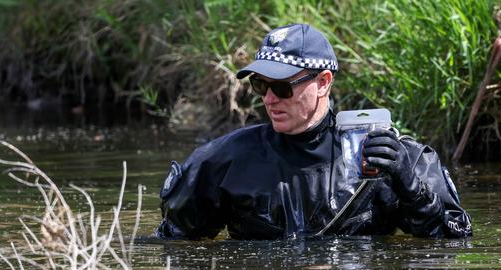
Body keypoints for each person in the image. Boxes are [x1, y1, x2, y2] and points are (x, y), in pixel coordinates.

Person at [157, 23, 472, 240]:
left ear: (323, 82)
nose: (268, 98)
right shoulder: (222, 161)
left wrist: (411, 188)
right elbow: (175, 247)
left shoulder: (393, 159)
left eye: (281, 86)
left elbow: (455, 241)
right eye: (260, 84)